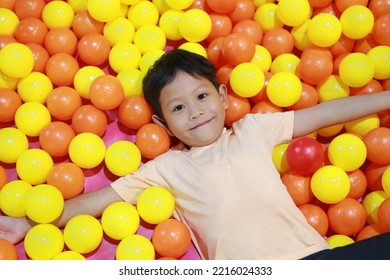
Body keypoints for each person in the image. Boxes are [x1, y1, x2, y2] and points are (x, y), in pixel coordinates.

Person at [1, 49, 390, 259]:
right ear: (163, 123)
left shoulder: (252, 130)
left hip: (315, 260)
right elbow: (99, 200)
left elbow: (323, 113)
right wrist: (25, 224)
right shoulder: (169, 167)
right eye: (179, 108)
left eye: (202, 96)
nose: (196, 110)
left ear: (222, 97)